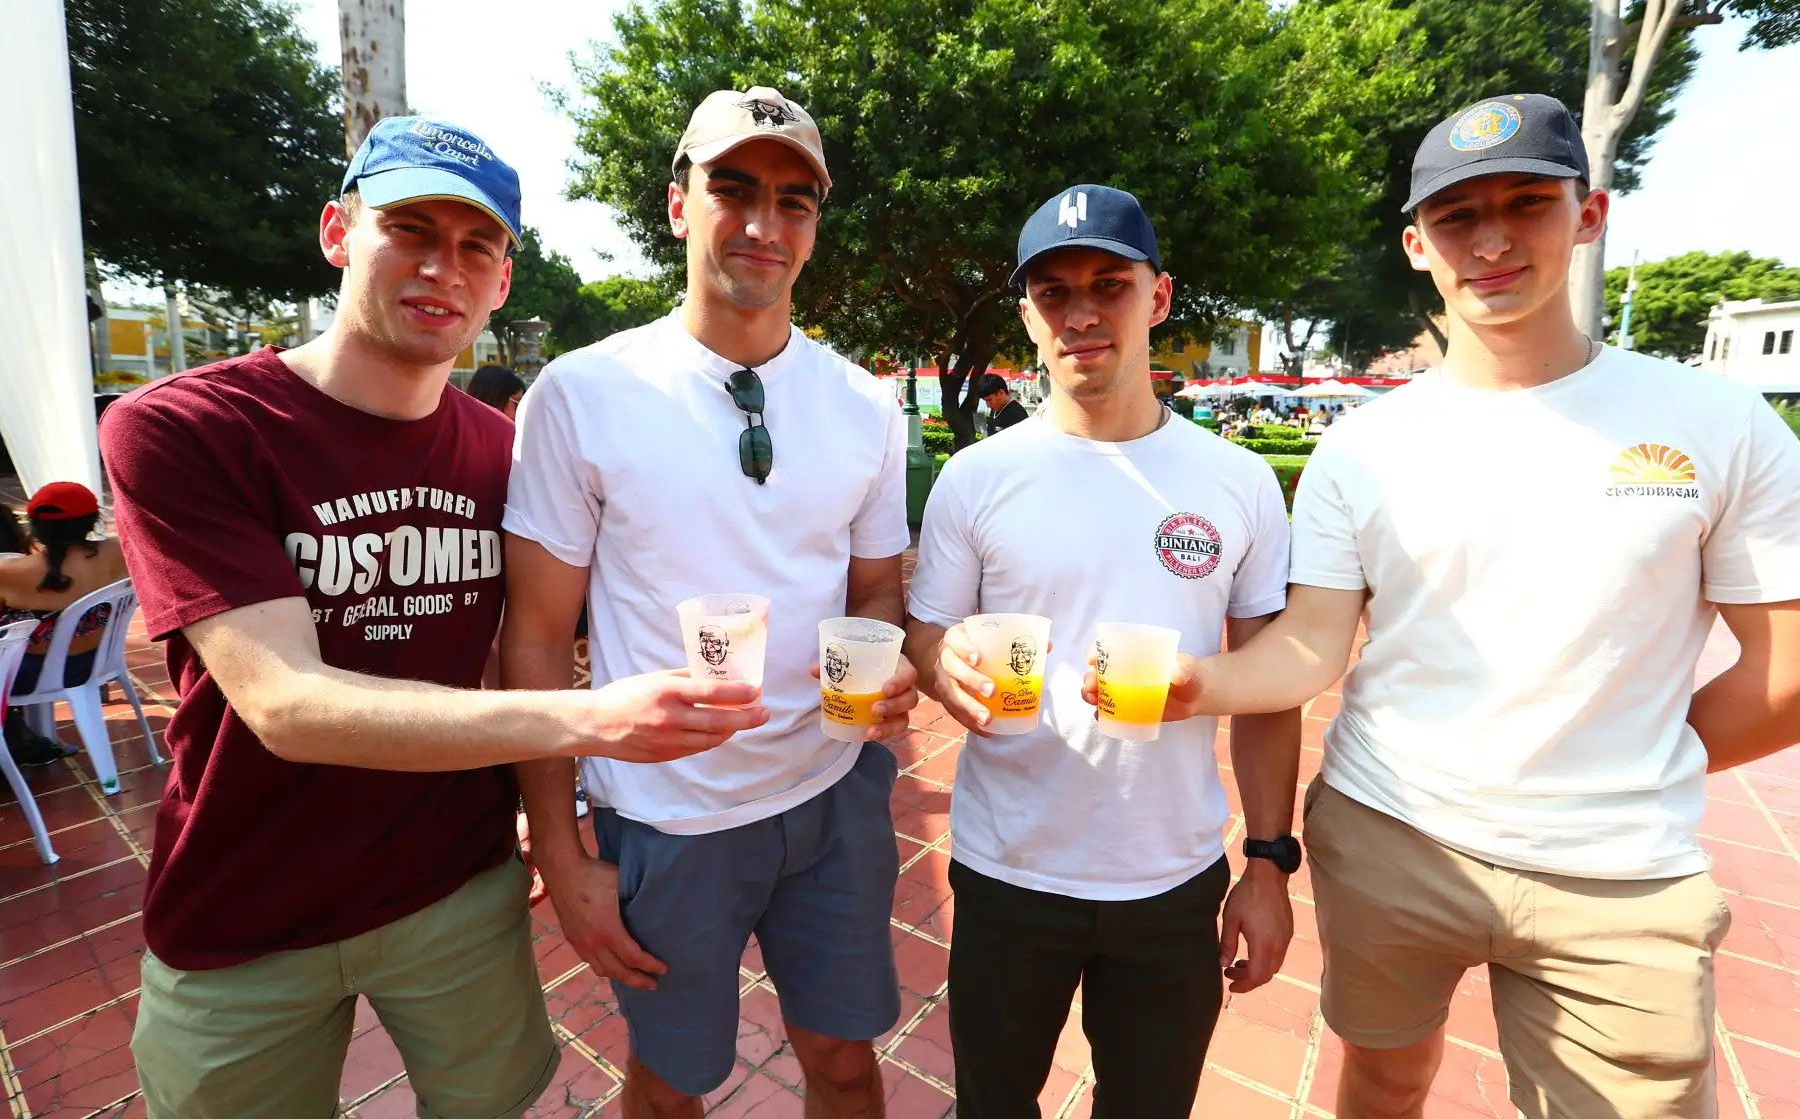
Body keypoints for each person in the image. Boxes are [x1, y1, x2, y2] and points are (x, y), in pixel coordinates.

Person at [99, 116, 768, 1119]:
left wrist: (554, 829)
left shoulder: (504, 452)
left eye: (475, 247)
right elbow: (287, 705)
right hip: (243, 907)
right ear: (338, 232)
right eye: (410, 229)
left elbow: (516, 645)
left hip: (456, 888)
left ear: (501, 282)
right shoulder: (188, 428)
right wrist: (592, 721)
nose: (441, 268)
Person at [1176, 93, 1800, 1119]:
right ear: (1418, 245)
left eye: (1526, 204)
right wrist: (1197, 684)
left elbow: (1787, 673)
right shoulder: (1363, 446)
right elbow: (1312, 648)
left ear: (1588, 215)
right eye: (1459, 216)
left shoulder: (1719, 424)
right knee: (1383, 1077)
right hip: (1390, 833)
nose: (1493, 241)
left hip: (1618, 872)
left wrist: (1634, 751)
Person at [503, 85, 918, 1119]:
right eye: (734, 190)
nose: (764, 225)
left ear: (813, 226)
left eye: (794, 202)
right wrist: (561, 846)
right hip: (666, 818)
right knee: (672, 1082)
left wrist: (884, 668)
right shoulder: (582, 394)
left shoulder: (866, 405)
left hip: (831, 794)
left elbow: (875, 587)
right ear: (680, 204)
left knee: (845, 1062)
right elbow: (537, 637)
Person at [905, 185, 1301, 1118]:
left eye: (1108, 286)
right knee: (992, 1106)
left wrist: (1268, 864)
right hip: (1008, 871)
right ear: (1027, 315)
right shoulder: (977, 478)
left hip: (1171, 878)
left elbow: (1268, 687)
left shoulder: (1239, 481)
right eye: (1053, 292)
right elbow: (926, 632)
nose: (1080, 314)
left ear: (1158, 298)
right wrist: (943, 662)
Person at [0, 483, 125, 765]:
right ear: (93, 521)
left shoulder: (10, 572)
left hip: (29, 676)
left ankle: (18, 743)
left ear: (34, 526)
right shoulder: (119, 552)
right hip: (96, 662)